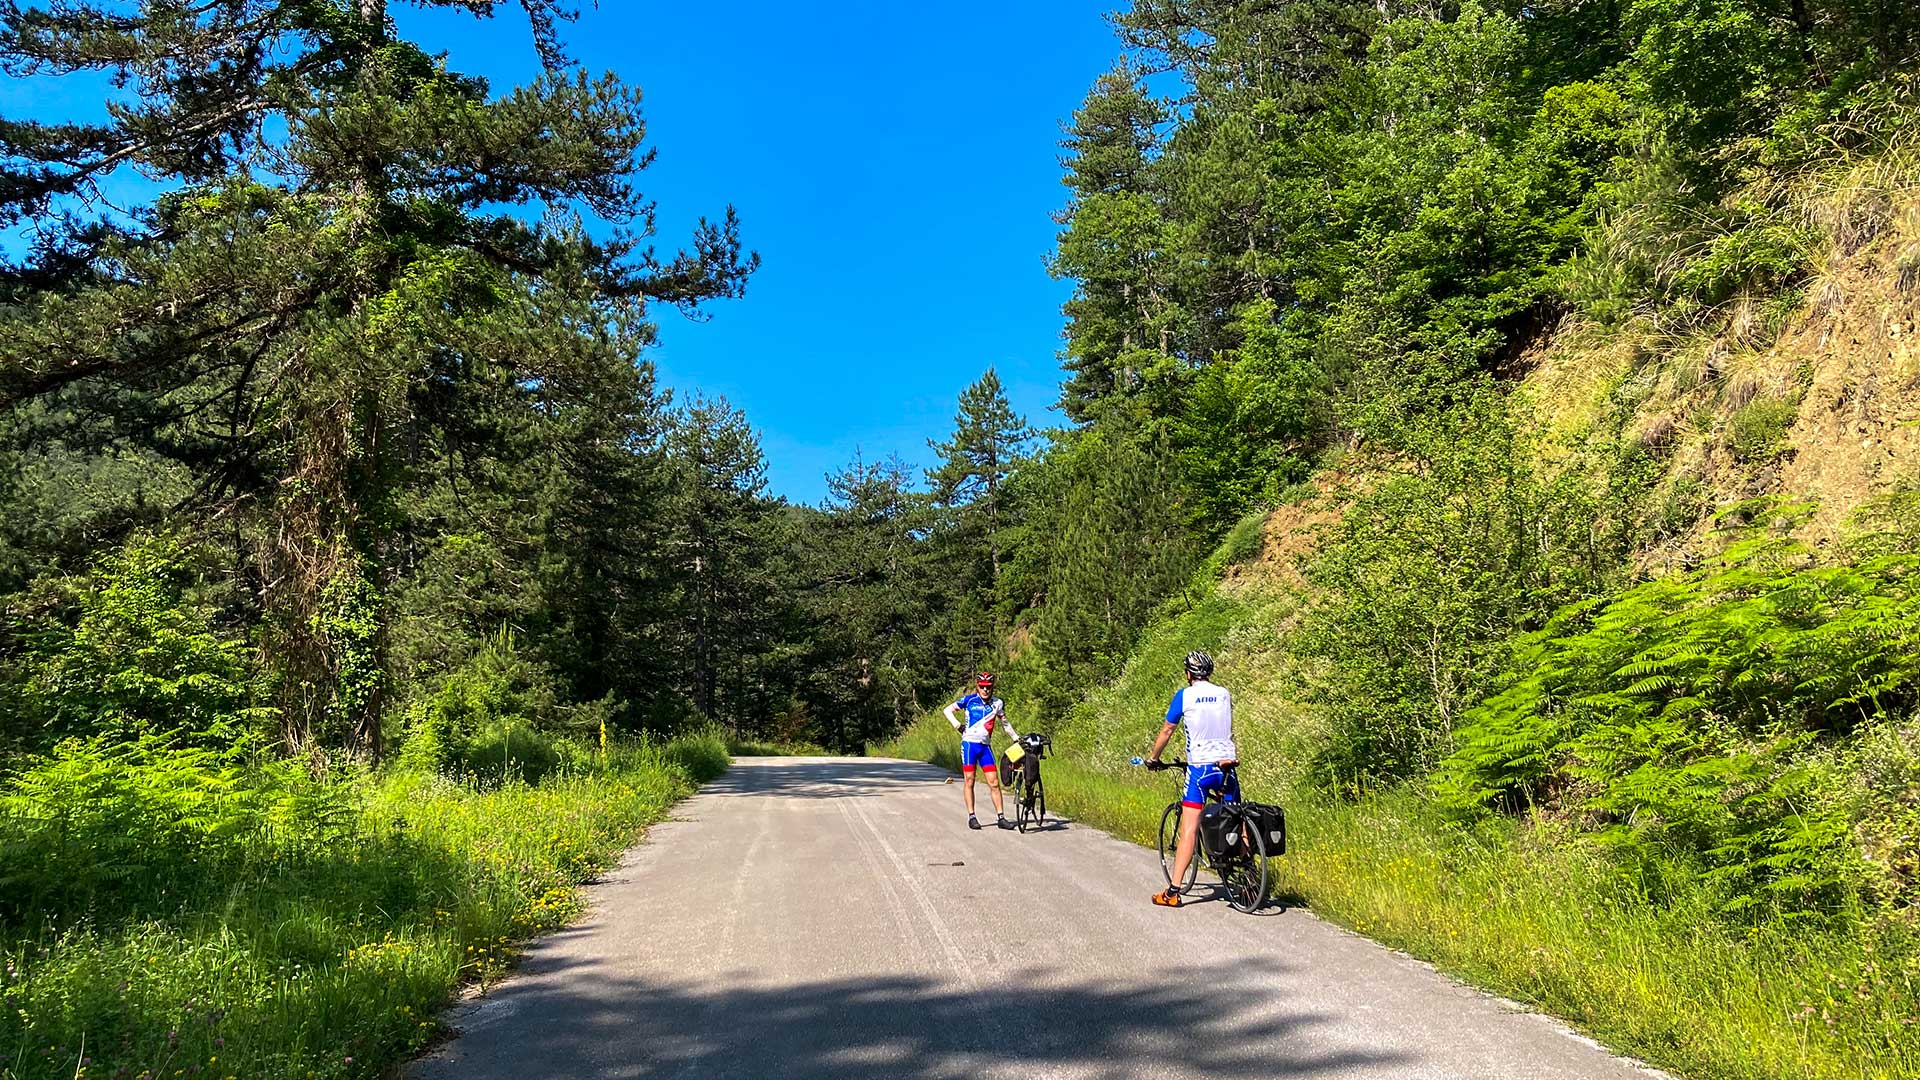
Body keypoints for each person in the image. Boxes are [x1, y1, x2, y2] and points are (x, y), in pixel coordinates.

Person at [1145, 650, 1236, 907]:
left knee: (1189, 829)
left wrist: (1153, 758)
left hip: (1201, 769)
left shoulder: (1184, 696)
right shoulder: (1224, 693)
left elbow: (1167, 730)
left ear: (1189, 673)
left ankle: (1173, 892)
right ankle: (1246, 869)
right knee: (1235, 816)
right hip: (1227, 763)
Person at [943, 672, 1018, 830]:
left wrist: (1016, 738)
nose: (985, 690)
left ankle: (1001, 817)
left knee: (994, 783)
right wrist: (958, 725)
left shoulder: (997, 703)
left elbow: (1005, 724)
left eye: (988, 687)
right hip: (969, 745)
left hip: (985, 747)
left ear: (992, 688)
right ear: (977, 686)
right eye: (982, 687)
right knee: (969, 780)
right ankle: (972, 816)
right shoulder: (969, 700)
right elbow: (947, 710)